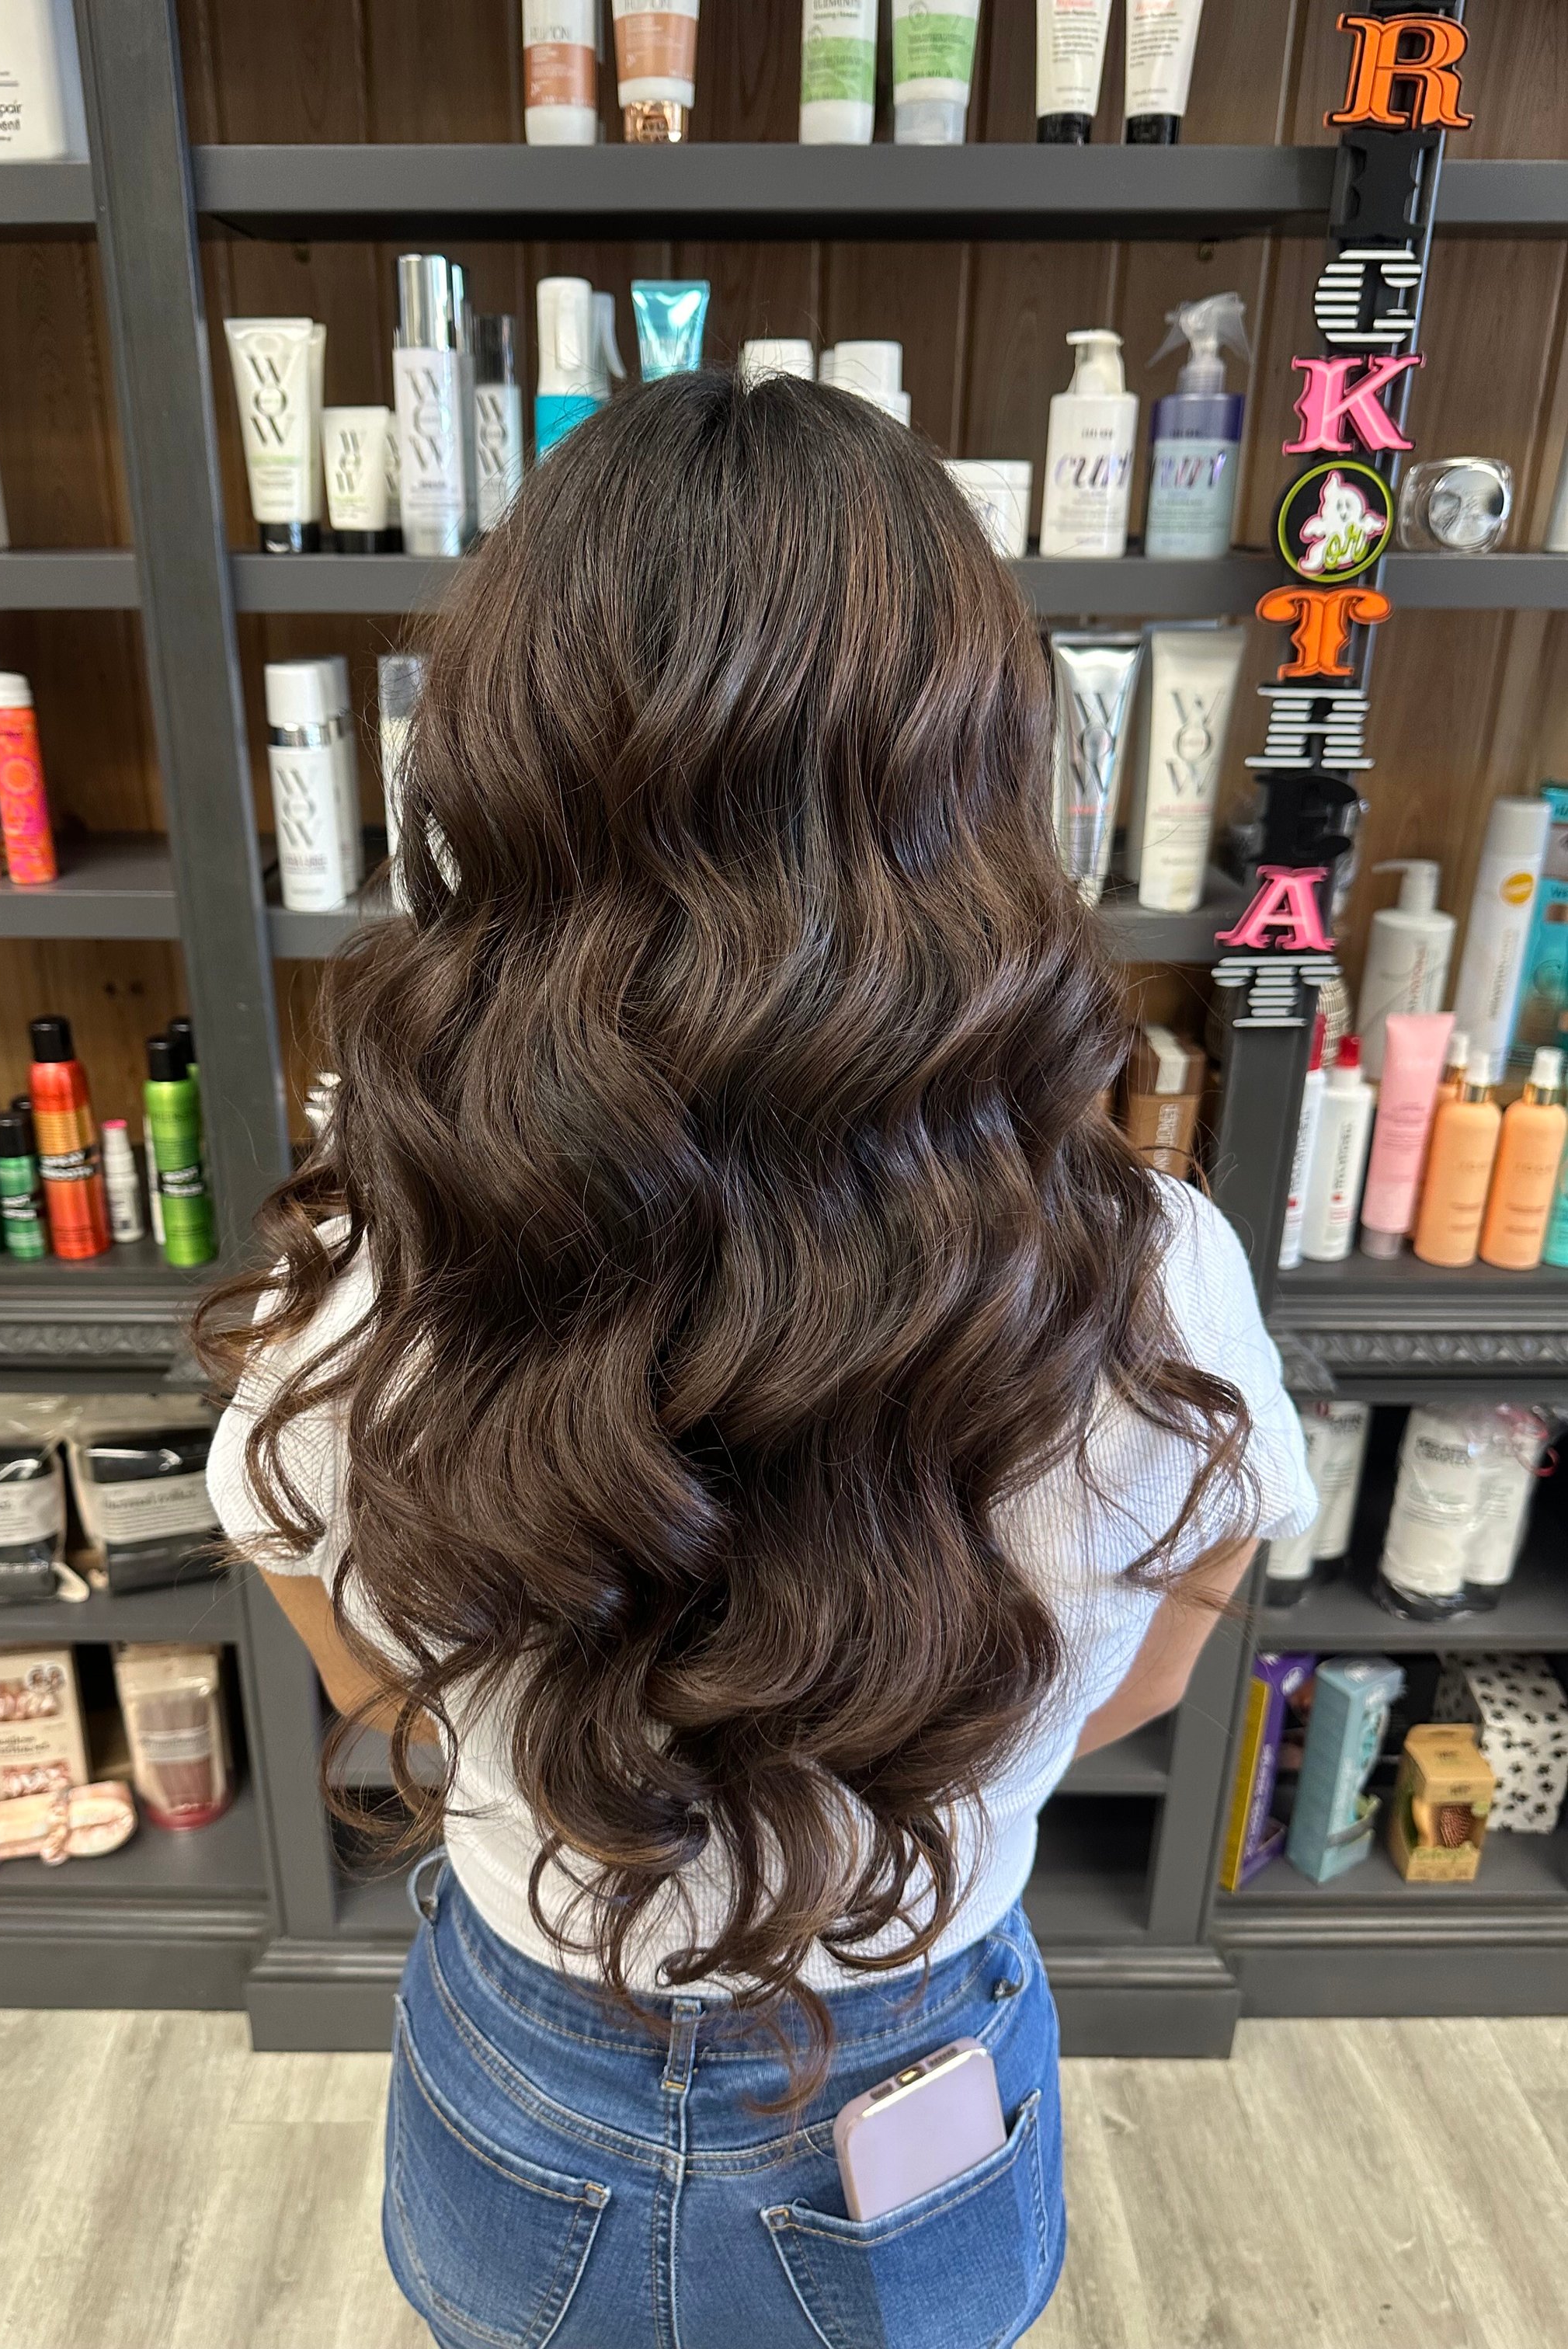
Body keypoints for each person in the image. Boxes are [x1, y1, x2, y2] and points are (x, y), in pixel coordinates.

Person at [201, 371, 1314, 2349]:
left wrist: (564, 1750)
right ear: (974, 774)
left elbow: (364, 1654)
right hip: (915, 2060)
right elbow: (1143, 1669)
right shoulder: (1153, 1281)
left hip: (521, 2058)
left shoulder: (390, 1265)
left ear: (502, 772)